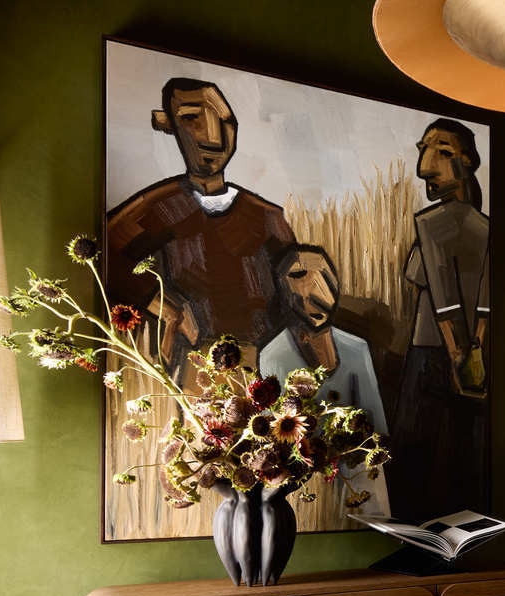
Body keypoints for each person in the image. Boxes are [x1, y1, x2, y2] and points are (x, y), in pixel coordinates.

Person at [106, 77, 296, 376]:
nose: (213, 138)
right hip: (194, 371)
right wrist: (166, 306)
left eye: (225, 122)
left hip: (265, 371)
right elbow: (101, 255)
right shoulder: (161, 208)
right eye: (192, 119)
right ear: (169, 125)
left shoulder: (267, 218)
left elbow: (300, 286)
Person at [387, 118, 490, 521]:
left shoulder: (434, 223)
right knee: (465, 464)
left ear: (468, 161)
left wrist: (458, 356)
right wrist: (475, 356)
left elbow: (444, 304)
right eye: (425, 150)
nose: (427, 166)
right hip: (471, 359)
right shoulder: (486, 228)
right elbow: (485, 306)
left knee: (413, 462)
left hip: (432, 355)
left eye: (443, 152)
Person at [258, 244, 391, 527]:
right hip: (302, 480)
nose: (315, 294)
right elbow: (274, 437)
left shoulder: (356, 349)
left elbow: (376, 426)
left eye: (324, 280)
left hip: (357, 473)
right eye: (300, 277)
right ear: (286, 293)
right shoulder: (274, 355)